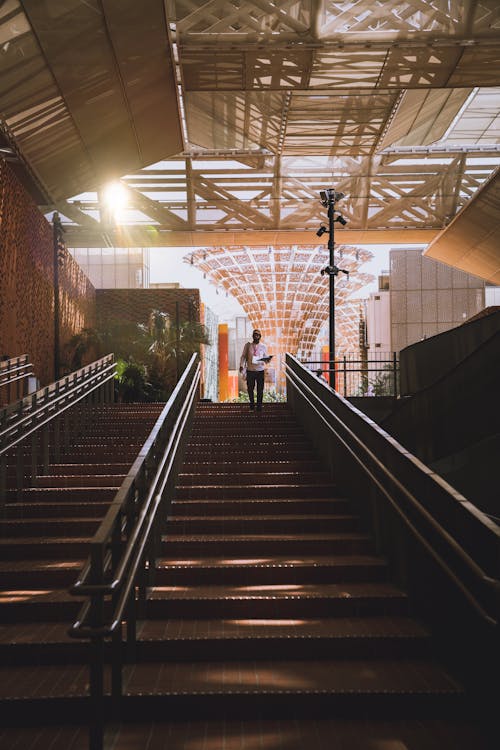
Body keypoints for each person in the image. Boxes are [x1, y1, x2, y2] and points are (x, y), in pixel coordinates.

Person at [239, 329, 271, 411]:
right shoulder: (248, 345)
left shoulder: (263, 346)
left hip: (260, 370)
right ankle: (252, 405)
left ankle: (259, 406)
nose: (256, 336)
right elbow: (243, 356)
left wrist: (267, 359)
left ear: (260, 337)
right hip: (250, 370)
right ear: (252, 336)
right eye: (254, 335)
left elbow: (265, 358)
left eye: (257, 335)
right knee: (250, 389)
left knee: (260, 389)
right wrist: (241, 365)